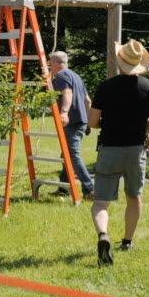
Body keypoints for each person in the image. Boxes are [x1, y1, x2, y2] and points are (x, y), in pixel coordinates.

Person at [86, 39, 149, 266]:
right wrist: (141, 131)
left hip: (109, 149)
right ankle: (127, 241)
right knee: (134, 197)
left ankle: (103, 234)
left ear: (120, 62)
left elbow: (92, 121)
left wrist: (106, 126)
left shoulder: (105, 87)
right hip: (136, 150)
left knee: (101, 202)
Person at [46, 51, 94, 198]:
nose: (48, 66)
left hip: (72, 121)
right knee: (66, 154)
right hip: (80, 120)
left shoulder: (61, 76)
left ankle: (90, 189)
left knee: (73, 155)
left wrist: (64, 112)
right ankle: (63, 188)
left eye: (50, 63)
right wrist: (88, 122)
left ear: (56, 63)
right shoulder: (76, 76)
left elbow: (67, 93)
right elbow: (87, 100)